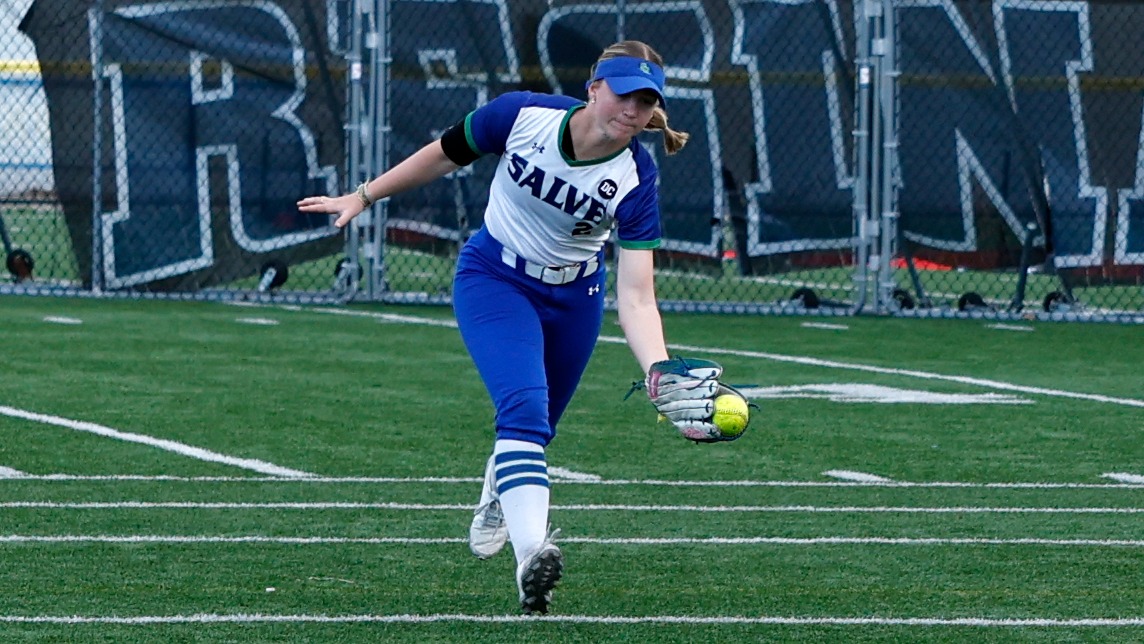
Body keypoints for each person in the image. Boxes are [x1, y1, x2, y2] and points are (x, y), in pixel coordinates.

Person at [298, 40, 693, 614]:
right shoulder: (522, 115)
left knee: (536, 429)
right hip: (494, 277)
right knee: (525, 410)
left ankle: (500, 494)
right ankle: (533, 556)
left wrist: (658, 370)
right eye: (623, 94)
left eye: (646, 101)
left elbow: (636, 297)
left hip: (575, 297)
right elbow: (444, 154)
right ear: (593, 89)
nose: (632, 110)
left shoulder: (636, 176)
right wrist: (364, 195)